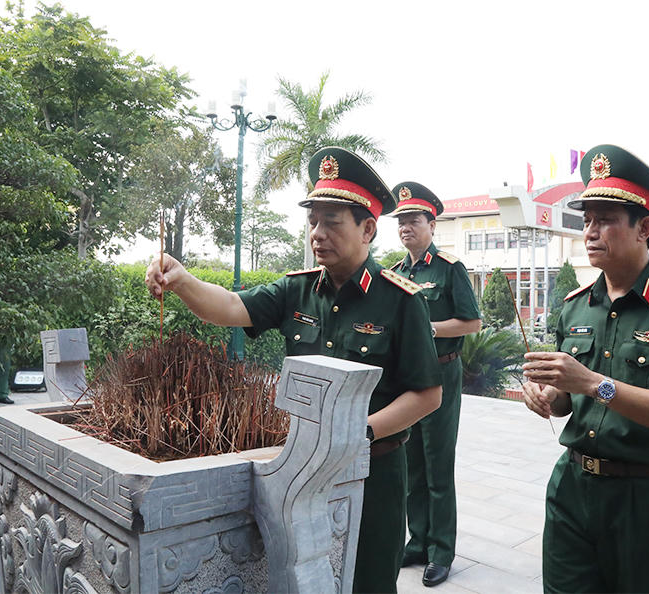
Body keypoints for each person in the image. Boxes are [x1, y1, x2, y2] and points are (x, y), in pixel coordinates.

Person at [145, 147, 443, 594]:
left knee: (367, 580)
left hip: (372, 470)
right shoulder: (296, 290)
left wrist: (357, 432)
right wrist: (183, 281)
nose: (318, 233)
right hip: (299, 468)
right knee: (303, 576)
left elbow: (426, 394)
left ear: (367, 229)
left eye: (332, 222)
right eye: (313, 222)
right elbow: (229, 306)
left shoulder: (401, 300)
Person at [522, 145, 649, 593]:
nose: (590, 231)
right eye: (586, 219)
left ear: (644, 228)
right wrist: (549, 398)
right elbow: (568, 400)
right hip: (572, 489)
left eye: (605, 219)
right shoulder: (575, 308)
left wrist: (592, 383)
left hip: (647, 499)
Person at [387, 183, 481, 587]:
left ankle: (441, 550)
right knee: (412, 462)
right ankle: (419, 540)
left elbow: (473, 322)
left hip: (442, 370)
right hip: (409, 376)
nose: (407, 227)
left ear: (431, 224)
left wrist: (427, 328)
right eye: (401, 221)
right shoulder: (396, 272)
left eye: (414, 220)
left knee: (438, 462)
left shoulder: (449, 267)